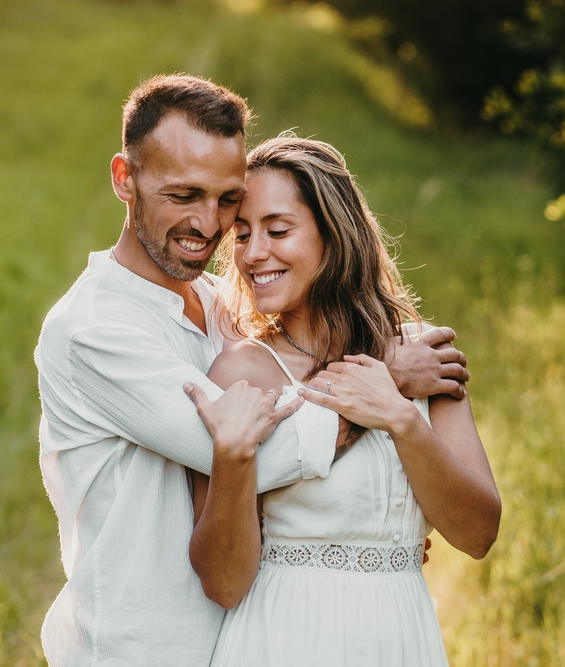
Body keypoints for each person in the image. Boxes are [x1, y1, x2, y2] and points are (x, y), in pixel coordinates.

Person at [34, 74, 470, 666]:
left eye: (227, 200)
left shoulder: (225, 306)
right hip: (141, 649)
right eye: (183, 195)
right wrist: (385, 378)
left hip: (253, 636)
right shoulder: (93, 328)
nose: (208, 224)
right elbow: (257, 453)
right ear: (124, 179)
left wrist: (368, 537)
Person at [184, 136, 501, 667]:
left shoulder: (422, 356)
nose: (253, 253)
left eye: (277, 230)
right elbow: (223, 583)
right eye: (241, 235)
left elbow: (478, 535)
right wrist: (233, 458)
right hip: (281, 641)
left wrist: (402, 419)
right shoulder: (242, 371)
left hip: (401, 641)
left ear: (335, 235)